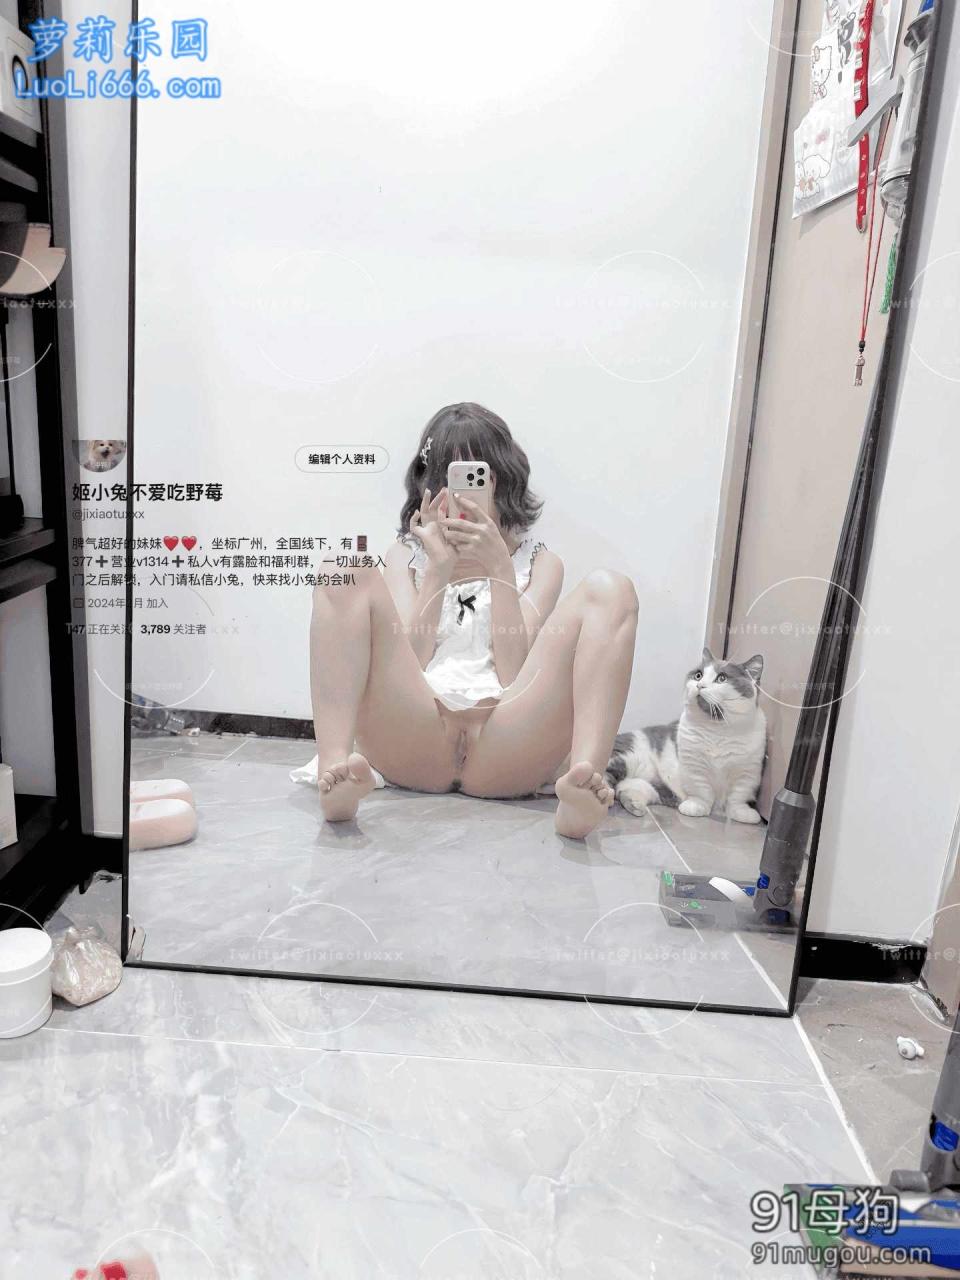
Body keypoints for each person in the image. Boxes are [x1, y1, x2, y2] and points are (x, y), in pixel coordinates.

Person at [309, 402, 638, 838]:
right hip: (413, 737)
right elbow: (411, 663)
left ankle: (583, 788)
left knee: (611, 589)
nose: (464, 497)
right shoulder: (405, 557)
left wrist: (499, 568)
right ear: (430, 487)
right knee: (343, 569)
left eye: (477, 478)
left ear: (503, 481)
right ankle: (335, 774)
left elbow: (513, 674)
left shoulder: (540, 564)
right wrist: (438, 570)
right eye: (450, 478)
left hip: (507, 743)